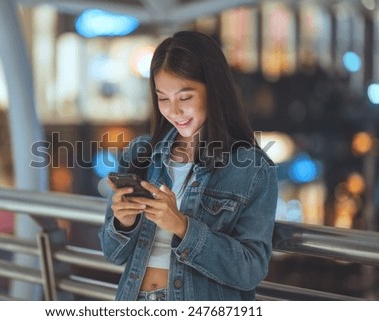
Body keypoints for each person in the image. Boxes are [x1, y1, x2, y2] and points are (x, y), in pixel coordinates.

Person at [99, 30, 278, 301]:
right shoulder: (140, 153)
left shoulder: (251, 168)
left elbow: (251, 269)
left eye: (184, 98)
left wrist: (183, 226)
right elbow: (113, 254)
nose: (174, 111)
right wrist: (123, 223)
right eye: (163, 98)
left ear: (213, 91)